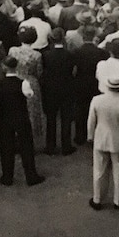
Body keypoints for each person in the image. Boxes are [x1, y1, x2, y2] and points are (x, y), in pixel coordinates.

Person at [87, 74, 119, 210]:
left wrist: (90, 136)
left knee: (99, 170)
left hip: (100, 139)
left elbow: (91, 121)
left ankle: (97, 199)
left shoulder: (96, 100)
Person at [0, 56, 45, 187]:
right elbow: (30, 95)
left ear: (4, 67)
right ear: (16, 66)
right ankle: (31, 175)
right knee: (26, 146)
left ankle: (7, 176)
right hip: (21, 117)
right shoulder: (24, 83)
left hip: (5, 118)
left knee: (5, 147)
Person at [8, 26, 45, 151]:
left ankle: (15, 141)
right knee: (31, 113)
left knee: (15, 110)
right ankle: (28, 142)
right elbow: (39, 72)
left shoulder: (13, 51)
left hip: (15, 80)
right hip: (31, 82)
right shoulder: (37, 55)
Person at [40, 28, 77, 156]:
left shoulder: (46, 55)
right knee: (66, 118)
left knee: (51, 118)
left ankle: (50, 146)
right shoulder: (70, 54)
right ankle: (66, 146)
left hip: (50, 89)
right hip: (66, 88)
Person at [71, 26, 109, 145]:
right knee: (96, 110)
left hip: (80, 82)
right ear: (94, 37)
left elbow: (73, 69)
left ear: (83, 37)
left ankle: (80, 136)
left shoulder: (76, 52)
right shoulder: (101, 52)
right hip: (95, 83)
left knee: (80, 109)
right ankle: (94, 135)